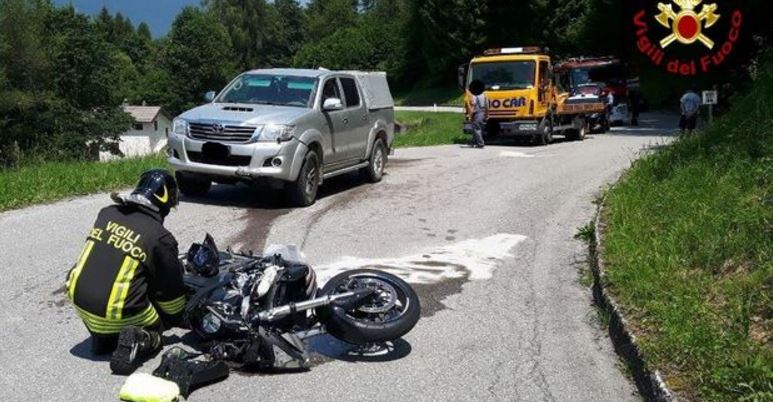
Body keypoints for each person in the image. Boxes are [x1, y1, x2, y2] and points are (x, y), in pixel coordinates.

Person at [65, 169, 187, 375]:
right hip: (118, 311)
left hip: (80, 303)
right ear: (165, 202)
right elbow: (171, 297)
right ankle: (143, 339)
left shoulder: (106, 213)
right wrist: (178, 315)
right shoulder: (160, 237)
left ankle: (105, 337)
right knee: (160, 324)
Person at [469, 79, 487, 148]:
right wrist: (487, 115)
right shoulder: (485, 96)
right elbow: (487, 107)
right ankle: (473, 142)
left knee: (476, 129)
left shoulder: (475, 96)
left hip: (477, 114)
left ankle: (480, 143)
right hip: (483, 113)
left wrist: (470, 115)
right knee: (478, 129)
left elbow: (473, 106)